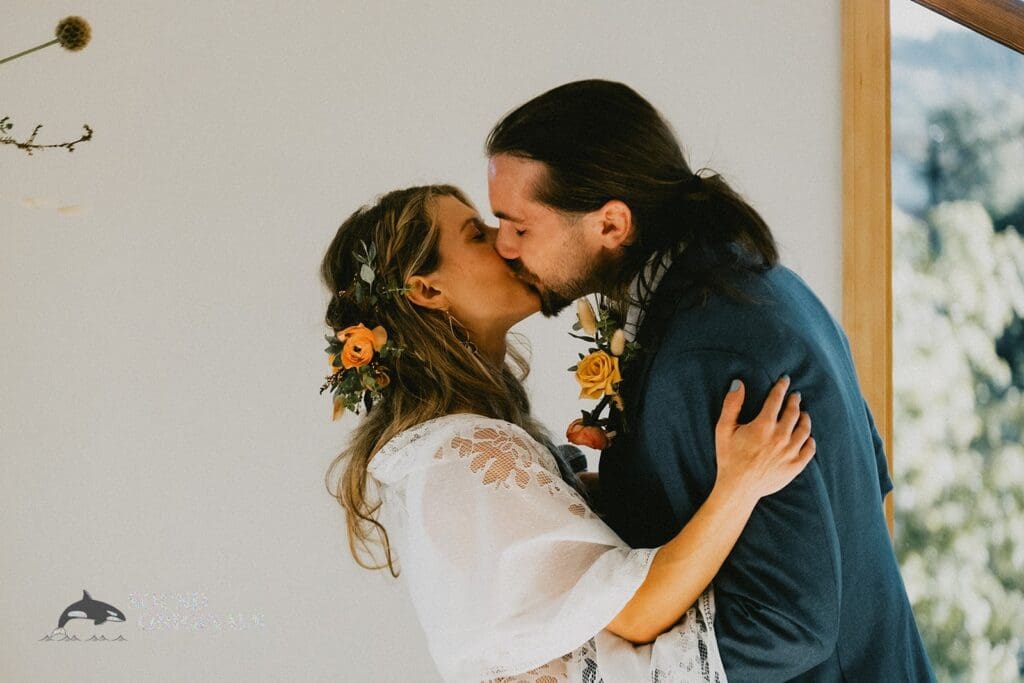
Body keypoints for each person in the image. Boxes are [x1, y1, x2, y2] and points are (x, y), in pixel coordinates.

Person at [484, 79, 936, 681]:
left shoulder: (709, 354)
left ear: (612, 225)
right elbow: (865, 478)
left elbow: (788, 625)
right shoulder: (753, 281)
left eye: (517, 226)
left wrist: (601, 666)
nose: (503, 246)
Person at [320, 184, 816, 681]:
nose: (507, 243)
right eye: (477, 234)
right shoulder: (462, 453)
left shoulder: (449, 447)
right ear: (427, 290)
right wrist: (741, 484)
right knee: (795, 627)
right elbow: (638, 612)